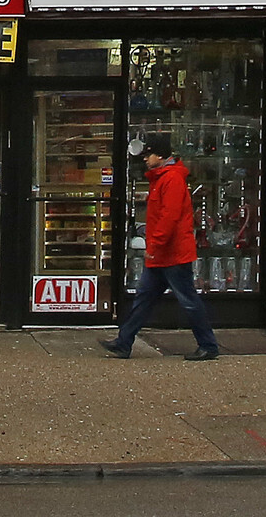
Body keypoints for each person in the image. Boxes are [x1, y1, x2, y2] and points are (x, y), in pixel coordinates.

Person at [105, 134, 220, 362]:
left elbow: (169, 218)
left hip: (172, 253)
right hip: (166, 253)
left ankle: (208, 345)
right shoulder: (164, 178)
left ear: (160, 155)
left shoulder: (170, 180)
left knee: (183, 300)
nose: (146, 159)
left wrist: (154, 245)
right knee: (146, 298)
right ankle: (124, 342)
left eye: (149, 155)